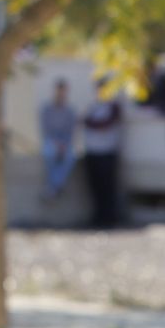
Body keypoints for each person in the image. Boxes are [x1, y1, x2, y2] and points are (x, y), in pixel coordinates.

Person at [81, 78, 125, 227]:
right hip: (92, 152)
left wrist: (93, 124)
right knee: (96, 187)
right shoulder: (93, 105)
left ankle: (110, 217)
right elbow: (85, 121)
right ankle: (98, 216)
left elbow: (104, 124)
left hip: (107, 152)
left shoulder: (113, 106)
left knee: (109, 187)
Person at [39, 79, 78, 200]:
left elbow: (71, 131)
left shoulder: (69, 111)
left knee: (70, 157)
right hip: (51, 141)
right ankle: (56, 187)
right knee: (50, 154)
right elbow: (46, 130)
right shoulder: (47, 109)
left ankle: (53, 187)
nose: (60, 94)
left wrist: (64, 144)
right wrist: (56, 143)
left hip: (65, 142)